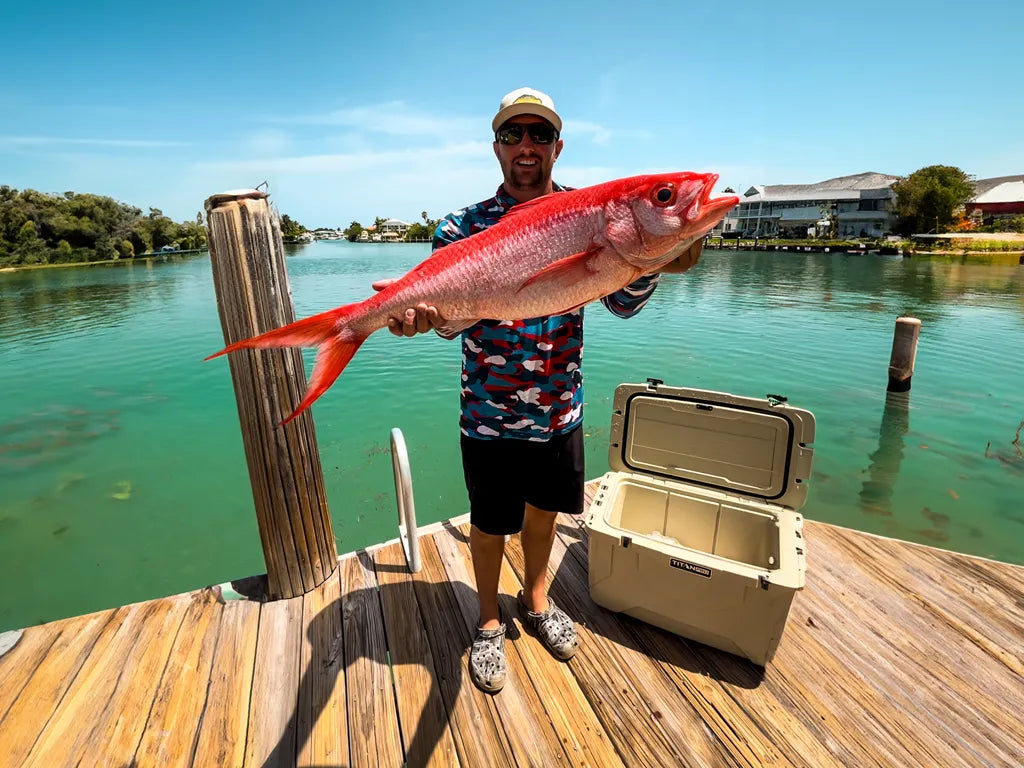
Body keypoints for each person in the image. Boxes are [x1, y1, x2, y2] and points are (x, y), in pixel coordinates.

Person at [372, 87, 703, 693]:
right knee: (490, 522)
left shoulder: (591, 213)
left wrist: (658, 254)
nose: (527, 146)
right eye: (513, 134)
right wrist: (419, 318)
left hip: (559, 408)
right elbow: (452, 320)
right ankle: (489, 620)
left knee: (544, 513)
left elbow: (622, 303)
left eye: (540, 134)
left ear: (558, 145)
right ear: (496, 145)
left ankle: (538, 598)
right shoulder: (461, 226)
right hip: (488, 413)